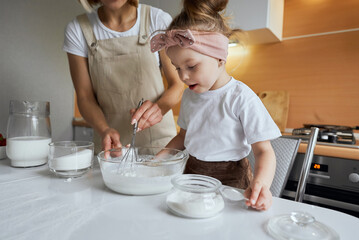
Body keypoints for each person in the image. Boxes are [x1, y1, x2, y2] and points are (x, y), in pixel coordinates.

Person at [150, 0, 281, 211]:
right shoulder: (190, 96)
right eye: (177, 68)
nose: (183, 76)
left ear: (220, 58)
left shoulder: (241, 97)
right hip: (191, 174)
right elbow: (183, 137)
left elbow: (264, 151)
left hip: (231, 179)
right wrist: (156, 161)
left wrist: (261, 184)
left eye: (191, 66)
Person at [63, 0, 184, 153]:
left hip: (160, 145)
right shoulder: (78, 29)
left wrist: (159, 108)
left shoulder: (157, 20)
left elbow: (178, 85)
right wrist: (104, 130)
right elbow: (84, 97)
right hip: (111, 146)